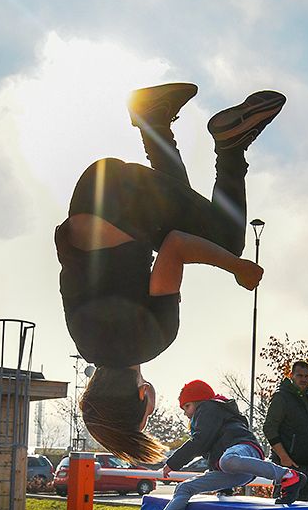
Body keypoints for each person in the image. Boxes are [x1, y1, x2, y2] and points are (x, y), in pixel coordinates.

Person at [59, 82, 283, 463]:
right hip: (92, 190)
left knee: (227, 242)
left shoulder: (150, 340)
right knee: (178, 202)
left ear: (143, 395)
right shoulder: (84, 343)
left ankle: (229, 147)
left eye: (145, 417)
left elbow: (177, 245)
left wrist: (236, 267)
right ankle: (154, 119)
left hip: (125, 203)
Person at [125, 380, 304, 510]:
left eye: (187, 406)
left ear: (199, 401)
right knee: (185, 488)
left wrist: (173, 462)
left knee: (228, 460)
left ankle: (287, 475)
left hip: (244, 449)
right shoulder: (208, 418)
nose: (186, 413)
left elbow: (200, 441)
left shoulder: (208, 407)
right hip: (236, 470)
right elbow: (212, 452)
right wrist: (225, 487)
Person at [262, 361, 308, 502]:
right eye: (299, 375)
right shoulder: (281, 397)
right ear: (291, 375)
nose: (303, 379)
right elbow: (269, 428)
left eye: (307, 376)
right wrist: (284, 457)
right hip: (289, 468)